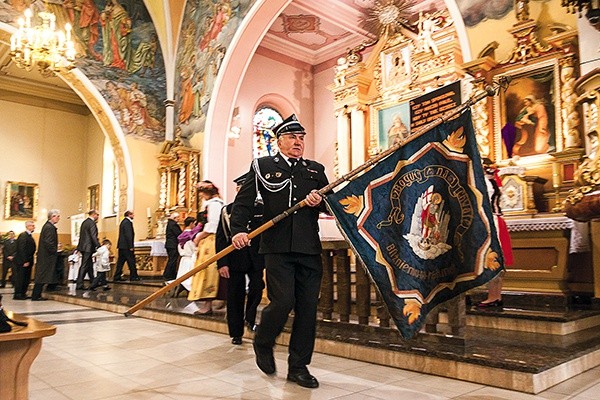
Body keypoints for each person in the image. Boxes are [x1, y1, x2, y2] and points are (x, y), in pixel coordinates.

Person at [230, 114, 329, 389]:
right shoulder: (262, 166)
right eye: (292, 138)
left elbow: (333, 206)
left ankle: (298, 367)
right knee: (283, 301)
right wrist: (239, 229)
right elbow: (244, 202)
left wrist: (320, 201)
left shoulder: (315, 170)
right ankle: (263, 340)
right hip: (277, 247)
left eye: (301, 138)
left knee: (308, 310)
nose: (298, 142)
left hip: (309, 247)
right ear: (279, 141)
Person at [216, 174, 265, 345]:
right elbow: (221, 238)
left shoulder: (261, 208)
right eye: (241, 187)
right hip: (234, 258)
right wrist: (222, 263)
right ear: (237, 189)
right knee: (234, 295)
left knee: (257, 288)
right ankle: (235, 332)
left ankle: (250, 319)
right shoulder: (227, 210)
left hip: (256, 257)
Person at [477, 159, 514, 308]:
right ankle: (495, 295)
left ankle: (493, 296)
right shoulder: (493, 180)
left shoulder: (485, 182)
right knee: (497, 257)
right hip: (497, 219)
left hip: (490, 221)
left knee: (492, 257)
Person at [188, 183, 225, 315]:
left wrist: (199, 237)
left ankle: (207, 305)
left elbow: (213, 225)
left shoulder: (213, 204)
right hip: (214, 240)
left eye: (202, 193)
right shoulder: (220, 203)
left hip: (211, 241)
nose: (201, 196)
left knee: (207, 271)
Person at [31, 209, 61, 301]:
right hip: (46, 256)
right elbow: (48, 242)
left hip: (46, 256)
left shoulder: (48, 226)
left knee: (43, 276)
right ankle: (36, 295)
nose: (59, 218)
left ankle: (37, 294)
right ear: (53, 217)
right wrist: (55, 250)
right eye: (58, 216)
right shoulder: (49, 227)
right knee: (42, 276)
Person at [174, 217, 202, 296]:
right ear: (191, 224)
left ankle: (179, 287)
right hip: (190, 258)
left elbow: (179, 247)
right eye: (194, 223)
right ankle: (189, 291)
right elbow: (194, 248)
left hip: (183, 259)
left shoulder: (181, 235)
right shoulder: (191, 236)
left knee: (182, 276)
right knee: (189, 278)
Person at [76, 210, 100, 290]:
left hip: (83, 246)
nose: (98, 216)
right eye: (97, 215)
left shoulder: (84, 222)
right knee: (84, 265)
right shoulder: (92, 223)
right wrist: (98, 245)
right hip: (88, 247)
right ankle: (79, 283)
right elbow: (93, 235)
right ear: (93, 214)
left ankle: (93, 281)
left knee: (89, 265)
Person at [113, 210, 139, 282]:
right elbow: (128, 235)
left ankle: (117, 276)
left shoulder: (123, 222)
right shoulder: (127, 222)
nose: (133, 216)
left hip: (122, 246)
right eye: (132, 214)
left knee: (120, 262)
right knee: (131, 261)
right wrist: (131, 246)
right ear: (129, 215)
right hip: (127, 246)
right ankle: (134, 276)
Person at [13, 221, 36, 300]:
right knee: (21, 278)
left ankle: (23, 293)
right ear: (28, 226)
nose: (34, 227)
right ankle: (18, 294)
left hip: (28, 261)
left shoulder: (29, 236)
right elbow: (21, 249)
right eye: (32, 226)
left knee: (26, 278)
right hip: (23, 262)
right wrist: (25, 261)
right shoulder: (23, 236)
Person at [163, 212, 183, 281]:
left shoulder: (170, 224)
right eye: (177, 218)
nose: (179, 219)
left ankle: (168, 274)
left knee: (171, 259)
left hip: (170, 244)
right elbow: (179, 234)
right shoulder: (173, 224)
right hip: (173, 244)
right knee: (173, 260)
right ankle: (168, 275)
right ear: (174, 218)